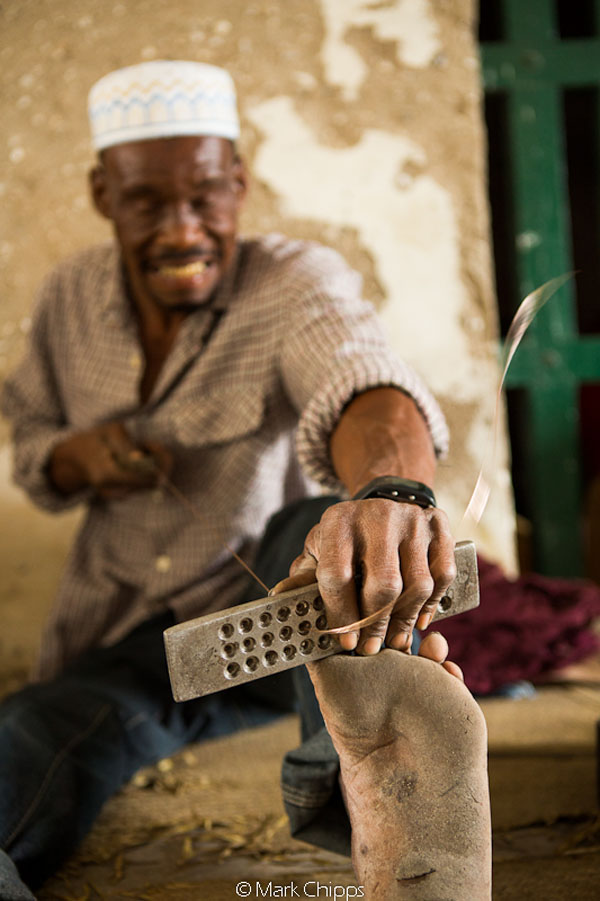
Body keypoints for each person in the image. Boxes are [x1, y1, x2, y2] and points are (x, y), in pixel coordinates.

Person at [0, 61, 491, 899]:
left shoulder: (293, 283)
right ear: (102, 194)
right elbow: (33, 449)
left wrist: (393, 495)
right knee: (29, 729)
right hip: (131, 644)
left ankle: (373, 775)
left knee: (325, 521)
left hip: (284, 619)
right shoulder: (66, 300)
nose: (182, 230)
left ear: (239, 183)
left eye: (205, 196)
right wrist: (81, 457)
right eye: (147, 202)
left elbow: (364, 381)